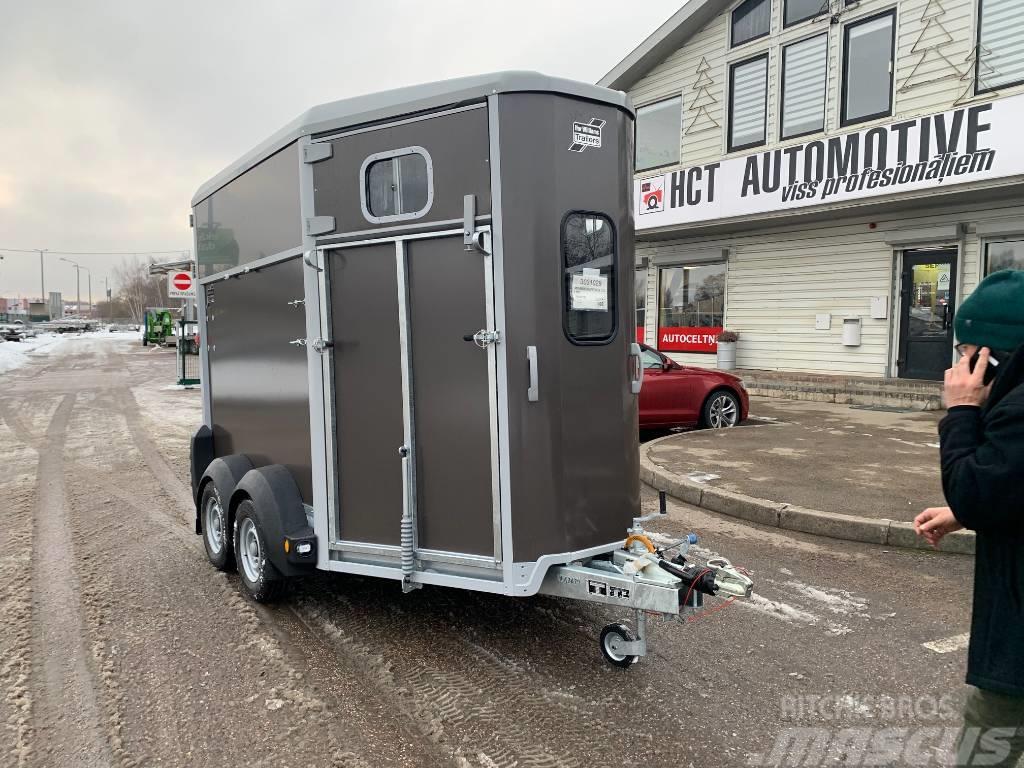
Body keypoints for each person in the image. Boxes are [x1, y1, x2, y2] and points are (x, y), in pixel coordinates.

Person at [914, 269, 1024, 767]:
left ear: (991, 354)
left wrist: (961, 410)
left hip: (1018, 642)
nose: (958, 363)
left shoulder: (1017, 408)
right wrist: (964, 512)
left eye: (965, 351)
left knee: (987, 750)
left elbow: (978, 487)